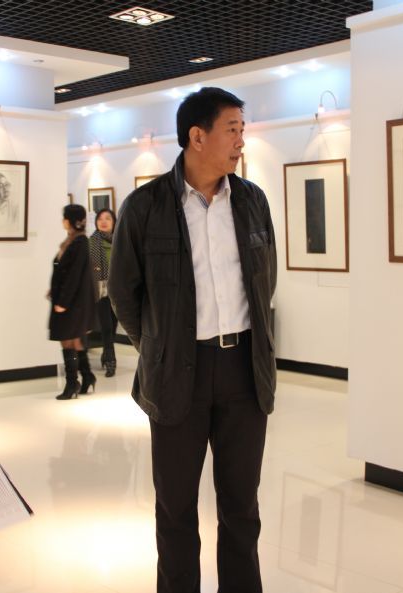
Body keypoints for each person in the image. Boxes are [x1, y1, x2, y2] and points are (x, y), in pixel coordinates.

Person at [109, 87, 277, 593]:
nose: (241, 141)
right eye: (233, 130)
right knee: (176, 508)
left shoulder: (251, 201)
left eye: (243, 130)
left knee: (241, 507)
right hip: (177, 372)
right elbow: (123, 292)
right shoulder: (146, 206)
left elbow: (265, 280)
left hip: (244, 370)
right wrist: (159, 346)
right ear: (197, 136)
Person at [49, 203, 96, 400]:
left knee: (68, 340)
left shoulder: (79, 243)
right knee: (75, 340)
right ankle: (87, 376)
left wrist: (63, 301)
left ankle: (72, 383)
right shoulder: (72, 241)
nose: (63, 221)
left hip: (73, 302)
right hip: (72, 300)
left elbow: (74, 275)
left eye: (65, 217)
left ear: (69, 221)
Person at [89, 207, 118, 377]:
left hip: (117, 290)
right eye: (100, 218)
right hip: (100, 290)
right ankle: (111, 361)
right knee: (106, 327)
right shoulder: (92, 242)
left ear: (114, 222)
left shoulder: (120, 241)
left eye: (108, 218)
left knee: (113, 326)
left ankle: (105, 353)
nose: (104, 221)